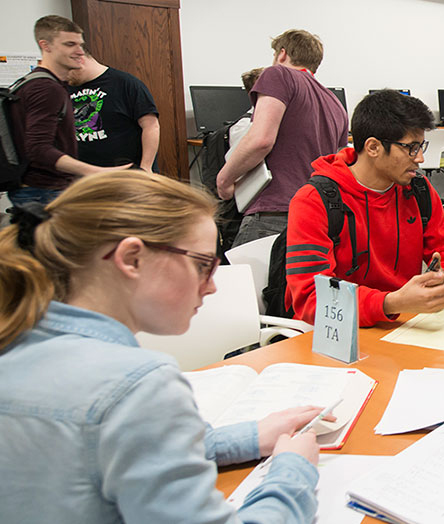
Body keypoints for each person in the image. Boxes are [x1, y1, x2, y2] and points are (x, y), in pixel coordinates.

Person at [0, 170, 328, 523]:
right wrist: (293, 473)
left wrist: (249, 436)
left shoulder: (20, 338)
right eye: (203, 265)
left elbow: (113, 446)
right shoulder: (138, 385)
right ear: (132, 259)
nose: (212, 287)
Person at [285, 90, 444, 327]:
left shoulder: (418, 190)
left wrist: (442, 277)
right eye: (411, 147)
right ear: (373, 147)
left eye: (422, 146)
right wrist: (390, 303)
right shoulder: (314, 201)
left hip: (400, 323)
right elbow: (312, 299)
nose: (420, 158)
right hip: (337, 332)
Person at [216, 29, 349, 246]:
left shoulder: (277, 74)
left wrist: (224, 180)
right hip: (315, 215)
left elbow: (260, 140)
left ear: (282, 54)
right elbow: (339, 163)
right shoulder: (335, 102)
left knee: (242, 279)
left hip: (273, 214)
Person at [7, 15, 128, 207]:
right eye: (70, 44)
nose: (80, 51)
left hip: (38, 189)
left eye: (80, 44)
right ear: (46, 46)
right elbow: (38, 148)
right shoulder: (46, 89)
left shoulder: (33, 83)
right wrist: (94, 171)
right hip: (43, 192)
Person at [67, 50, 160, 172]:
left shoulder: (126, 84)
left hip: (129, 174)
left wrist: (146, 167)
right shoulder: (65, 88)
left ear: (80, 60)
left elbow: (151, 126)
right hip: (85, 177)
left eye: (67, 70)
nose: (65, 75)